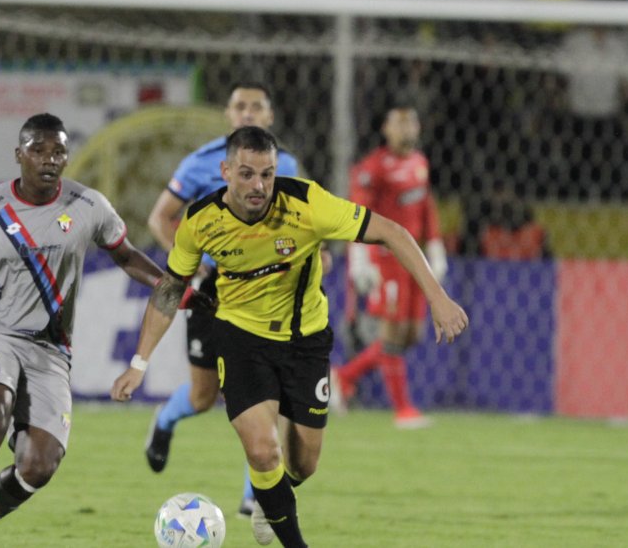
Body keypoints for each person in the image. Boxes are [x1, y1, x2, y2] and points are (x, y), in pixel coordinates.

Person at [112, 126, 468, 548]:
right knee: (263, 452)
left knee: (303, 464)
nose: (258, 185)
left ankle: (270, 496)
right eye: (246, 174)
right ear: (225, 171)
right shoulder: (201, 221)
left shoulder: (306, 203)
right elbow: (171, 288)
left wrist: (438, 297)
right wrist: (139, 363)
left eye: (266, 174)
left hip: (306, 342)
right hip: (240, 338)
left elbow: (391, 231)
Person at [0, 113, 185, 548]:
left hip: (51, 350)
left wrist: (173, 287)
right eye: (38, 150)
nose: (49, 159)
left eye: (58, 151)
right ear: (19, 155)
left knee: (39, 464)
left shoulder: (89, 206)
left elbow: (126, 257)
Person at [144, 82, 300, 518]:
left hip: (268, 290)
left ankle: (256, 494)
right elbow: (161, 218)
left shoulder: (285, 165)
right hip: (214, 290)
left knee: (264, 391)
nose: (248, 113)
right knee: (202, 396)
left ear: (269, 116)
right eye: (240, 106)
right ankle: (165, 419)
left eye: (257, 106)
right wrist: (191, 264)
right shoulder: (200, 164)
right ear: (228, 115)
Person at [334, 104, 446, 428]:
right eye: (399, 123)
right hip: (385, 259)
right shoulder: (372, 168)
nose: (406, 129)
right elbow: (357, 213)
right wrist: (359, 259)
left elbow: (426, 209)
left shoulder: (420, 164)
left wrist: (435, 248)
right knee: (392, 331)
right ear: (386, 129)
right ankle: (403, 410)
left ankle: (343, 376)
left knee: (412, 334)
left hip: (414, 259)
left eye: (411, 122)